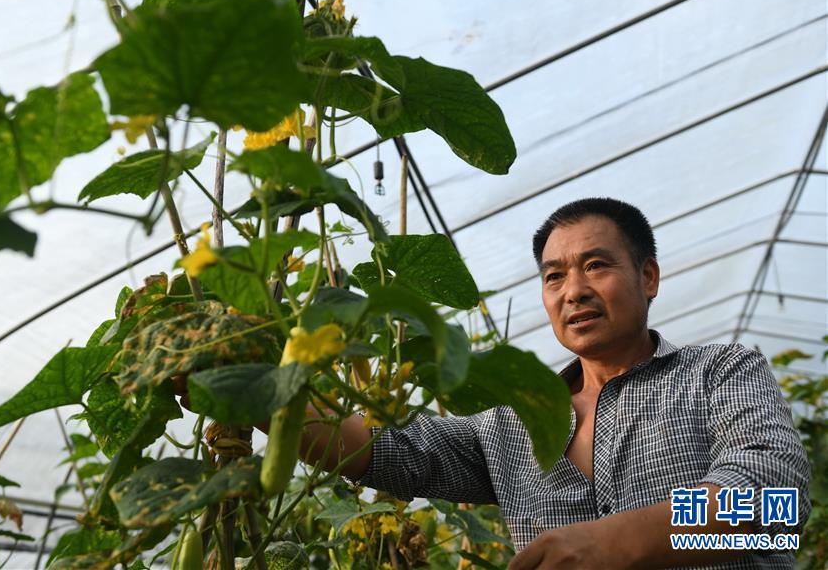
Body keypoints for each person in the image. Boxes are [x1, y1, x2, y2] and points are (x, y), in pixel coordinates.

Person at [279, 198, 812, 569]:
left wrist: (615, 544)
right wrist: (257, 393)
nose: (573, 291)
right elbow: (386, 454)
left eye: (596, 265)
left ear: (647, 277)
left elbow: (776, 506)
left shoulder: (719, 373)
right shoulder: (516, 419)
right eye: (554, 275)